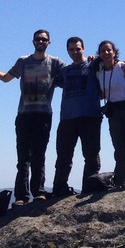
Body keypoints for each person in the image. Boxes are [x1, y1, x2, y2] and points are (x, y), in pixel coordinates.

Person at [0, 29, 65, 205]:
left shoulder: (55, 63)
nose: (41, 42)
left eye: (44, 39)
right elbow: (5, 78)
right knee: (23, 158)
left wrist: (91, 62)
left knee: (39, 155)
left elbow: (72, 73)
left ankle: (38, 193)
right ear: (33, 42)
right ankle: (21, 197)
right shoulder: (23, 62)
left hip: (43, 115)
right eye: (38, 39)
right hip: (24, 115)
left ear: (49, 42)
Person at [50, 37, 102, 197]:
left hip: (90, 116)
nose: (75, 52)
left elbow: (112, 63)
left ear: (83, 49)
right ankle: (59, 189)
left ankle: (90, 187)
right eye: (71, 49)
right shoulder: (64, 71)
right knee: (63, 156)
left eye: (78, 48)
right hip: (67, 118)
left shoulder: (93, 65)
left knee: (91, 155)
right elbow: (51, 81)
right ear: (67, 51)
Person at [96, 40, 125, 188]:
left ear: (114, 52)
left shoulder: (123, 67)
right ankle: (121, 181)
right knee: (119, 147)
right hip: (114, 111)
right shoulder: (98, 70)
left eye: (108, 50)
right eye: (103, 51)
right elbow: (102, 94)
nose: (106, 53)